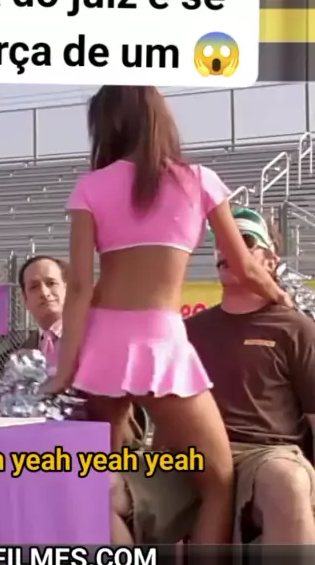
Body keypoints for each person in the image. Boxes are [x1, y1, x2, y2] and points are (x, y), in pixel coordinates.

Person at [44, 86, 292, 545]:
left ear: (110, 125)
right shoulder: (199, 180)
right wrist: (280, 296)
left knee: (98, 483)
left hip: (103, 345)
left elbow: (78, 288)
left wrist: (65, 369)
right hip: (161, 346)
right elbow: (245, 267)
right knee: (217, 481)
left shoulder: (91, 187)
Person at [114, 207, 315, 544]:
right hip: (189, 459)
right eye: (221, 242)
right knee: (99, 491)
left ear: (270, 261)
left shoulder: (297, 328)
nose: (227, 249)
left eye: (244, 241)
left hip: (263, 454)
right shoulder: (185, 331)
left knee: (289, 482)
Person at [19, 253, 150, 447]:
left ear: (68, 289)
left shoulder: (97, 337)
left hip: (107, 450)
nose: (44, 292)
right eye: (34, 287)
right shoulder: (23, 354)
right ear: (25, 300)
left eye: (51, 283)